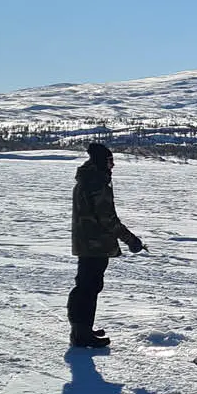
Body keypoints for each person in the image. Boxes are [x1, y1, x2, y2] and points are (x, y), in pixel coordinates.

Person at [69, 143, 145, 349]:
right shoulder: (96, 183)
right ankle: (81, 334)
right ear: (103, 161)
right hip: (94, 244)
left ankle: (82, 329)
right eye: (111, 161)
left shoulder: (89, 179)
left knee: (87, 286)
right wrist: (131, 240)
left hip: (89, 242)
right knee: (88, 287)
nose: (113, 165)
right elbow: (108, 219)